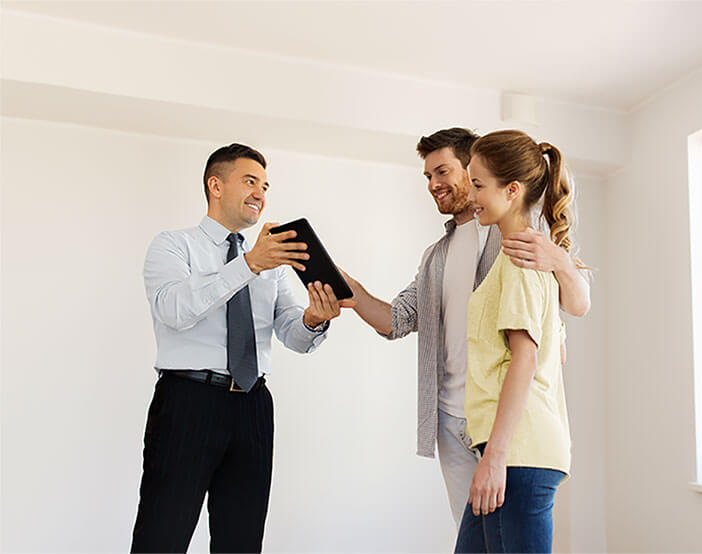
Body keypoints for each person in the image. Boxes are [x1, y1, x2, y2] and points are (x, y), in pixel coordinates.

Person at [340, 128, 590, 528]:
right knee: (472, 534)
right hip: (450, 419)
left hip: (501, 420)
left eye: (443, 172)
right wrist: (354, 293)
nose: (434, 184)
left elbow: (577, 304)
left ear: (472, 168)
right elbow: (399, 320)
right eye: (427, 177)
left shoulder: (514, 235)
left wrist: (560, 261)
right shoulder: (436, 256)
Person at [131, 143, 353, 553]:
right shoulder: (174, 246)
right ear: (215, 185)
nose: (260, 194)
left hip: (252, 405)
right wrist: (248, 264)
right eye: (250, 181)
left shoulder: (269, 260)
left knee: (242, 541)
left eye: (265, 186)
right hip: (187, 402)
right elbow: (175, 311)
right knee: (162, 536)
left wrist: (315, 319)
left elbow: (292, 333)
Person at [454, 130, 582, 553]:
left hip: (517, 455)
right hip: (510, 452)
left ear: (511, 190)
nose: (469, 194)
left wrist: (496, 456)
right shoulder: (521, 256)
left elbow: (524, 361)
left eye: (477, 184)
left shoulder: (522, 261)